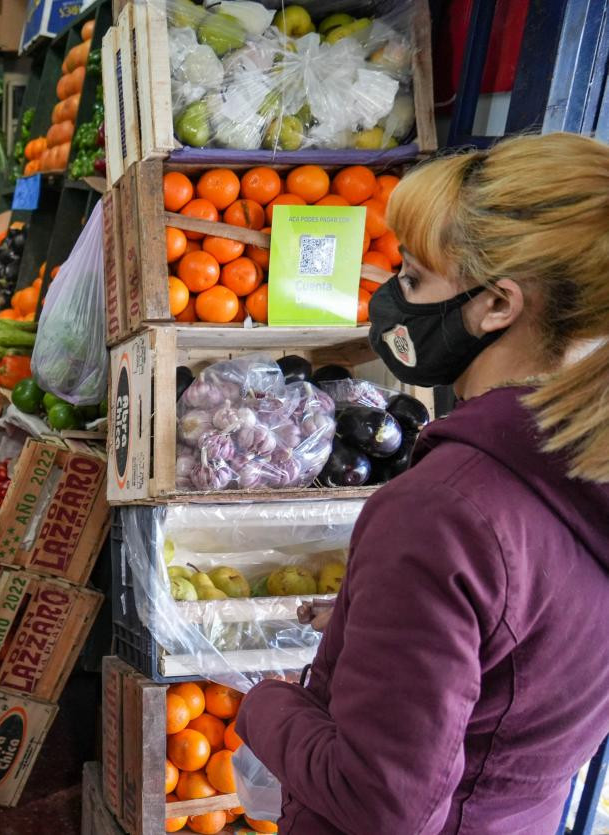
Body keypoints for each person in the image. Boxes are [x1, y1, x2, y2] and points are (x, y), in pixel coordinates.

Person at [235, 132, 609, 834]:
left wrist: (268, 706)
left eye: (411, 279)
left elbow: (382, 800)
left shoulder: (445, 509)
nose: (392, 302)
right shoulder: (584, 472)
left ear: (497, 305)